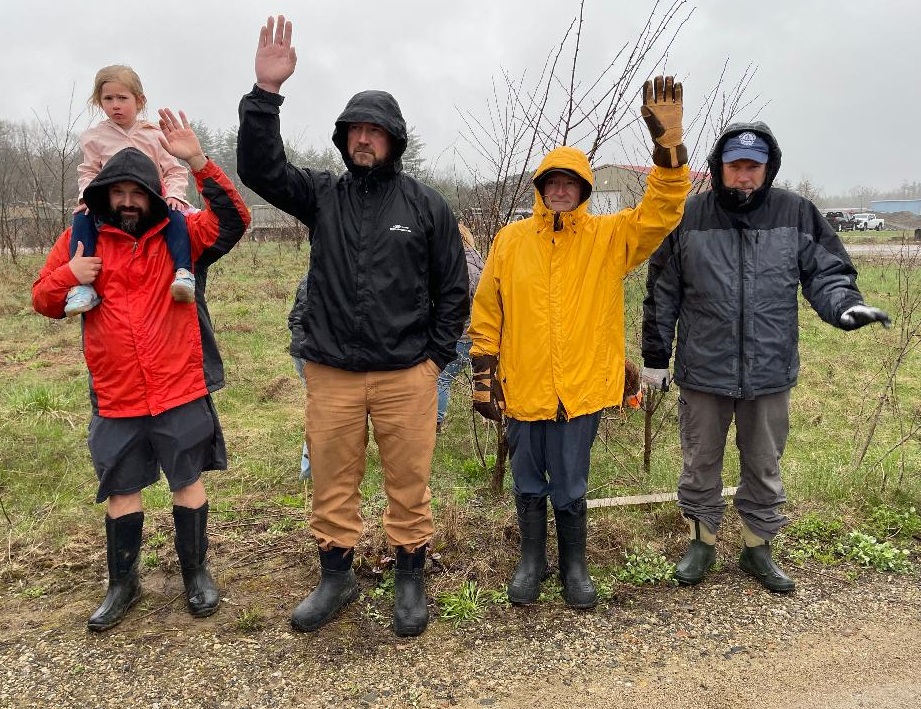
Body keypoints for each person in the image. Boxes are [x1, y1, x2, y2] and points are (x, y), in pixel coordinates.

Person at [237, 15, 469, 637]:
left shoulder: (426, 205)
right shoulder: (322, 196)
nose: (364, 140)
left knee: (409, 483)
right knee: (332, 484)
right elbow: (260, 169)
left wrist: (434, 359)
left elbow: (453, 289)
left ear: (394, 140)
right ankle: (335, 578)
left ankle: (410, 577)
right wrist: (265, 94)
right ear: (343, 140)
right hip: (333, 371)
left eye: (375, 131)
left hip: (406, 374)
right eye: (354, 131)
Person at [468, 76, 691, 609]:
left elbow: (662, 213)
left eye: (571, 183)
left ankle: (574, 565)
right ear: (540, 188)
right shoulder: (510, 241)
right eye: (553, 182)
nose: (561, 190)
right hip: (523, 387)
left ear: (585, 190)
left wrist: (669, 149)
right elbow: (487, 310)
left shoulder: (610, 239)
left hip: (582, 389)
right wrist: (483, 373)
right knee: (528, 481)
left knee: (570, 484)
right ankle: (532, 562)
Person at [641, 122, 891, 592]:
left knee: (764, 465)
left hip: (770, 370)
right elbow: (662, 291)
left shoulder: (795, 213)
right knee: (699, 463)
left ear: (768, 168)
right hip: (703, 370)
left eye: (753, 167)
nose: (744, 176)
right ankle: (701, 544)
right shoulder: (689, 216)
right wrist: (656, 357)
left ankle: (757, 548)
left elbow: (828, 272)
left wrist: (845, 305)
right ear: (719, 168)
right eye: (735, 166)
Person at [32, 109, 251, 631]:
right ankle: (122, 585)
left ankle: (196, 575)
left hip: (178, 387)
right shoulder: (80, 239)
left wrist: (198, 162)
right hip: (117, 394)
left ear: (153, 194)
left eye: (138, 192)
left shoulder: (182, 234)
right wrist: (69, 274)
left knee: (187, 481)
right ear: (103, 193)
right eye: (119, 192)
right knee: (121, 490)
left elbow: (234, 220)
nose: (128, 201)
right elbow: (42, 299)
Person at [66, 65, 195, 317]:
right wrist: (87, 196)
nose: (115, 105)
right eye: (108, 99)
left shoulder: (154, 135)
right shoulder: (95, 137)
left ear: (139, 100)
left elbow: (175, 170)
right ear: (99, 101)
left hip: (151, 203)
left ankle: (183, 273)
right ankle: (82, 286)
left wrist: (174, 195)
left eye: (122, 98)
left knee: (176, 215)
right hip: (113, 207)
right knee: (81, 216)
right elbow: (89, 171)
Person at [436, 224, 485, 434]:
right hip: (474, 331)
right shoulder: (478, 261)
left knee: (442, 377)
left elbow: (461, 302)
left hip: (463, 333)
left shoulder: (463, 266)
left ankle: (436, 421)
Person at [289, 272, 311, 480]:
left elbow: (292, 318)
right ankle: (309, 469)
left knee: (316, 405)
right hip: (312, 353)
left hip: (298, 349)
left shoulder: (305, 279)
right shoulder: (328, 279)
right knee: (321, 409)